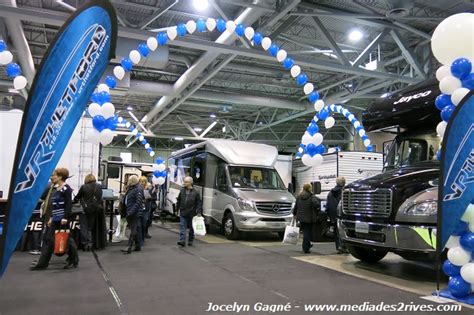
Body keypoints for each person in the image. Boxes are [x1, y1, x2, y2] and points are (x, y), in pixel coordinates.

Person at [30, 168, 79, 270]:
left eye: (54, 175)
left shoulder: (67, 189)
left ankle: (74, 260)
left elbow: (68, 204)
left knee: (67, 240)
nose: (51, 177)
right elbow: (54, 206)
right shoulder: (56, 189)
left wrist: (65, 217)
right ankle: (42, 264)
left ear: (60, 177)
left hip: (63, 219)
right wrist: (51, 217)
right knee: (48, 240)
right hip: (55, 218)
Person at [74, 174, 103, 252]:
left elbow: (77, 197)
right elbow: (100, 198)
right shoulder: (99, 186)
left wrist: (74, 200)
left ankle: (85, 244)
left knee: (84, 227)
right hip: (94, 209)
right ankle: (90, 244)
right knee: (90, 227)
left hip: (84, 209)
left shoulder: (84, 187)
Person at [292, 183, 320, 254]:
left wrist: (294, 214)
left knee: (305, 232)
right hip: (309, 217)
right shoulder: (311, 196)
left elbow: (296, 207)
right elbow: (317, 204)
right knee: (307, 233)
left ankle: (307, 245)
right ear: (309, 189)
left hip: (301, 218)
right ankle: (305, 247)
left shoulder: (299, 196)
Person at [176, 177, 202, 247]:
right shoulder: (182, 190)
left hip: (192, 212)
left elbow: (199, 202)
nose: (184, 183)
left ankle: (190, 240)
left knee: (191, 228)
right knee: (182, 226)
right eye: (184, 181)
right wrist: (177, 209)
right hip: (183, 211)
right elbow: (179, 200)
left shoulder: (196, 191)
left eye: (186, 182)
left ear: (190, 183)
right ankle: (182, 241)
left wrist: (199, 212)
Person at [122, 175, 144, 254]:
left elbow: (138, 202)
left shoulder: (138, 189)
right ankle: (138, 246)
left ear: (132, 181)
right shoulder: (131, 188)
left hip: (134, 213)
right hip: (130, 211)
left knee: (133, 230)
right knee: (134, 229)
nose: (128, 181)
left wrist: (131, 211)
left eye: (129, 180)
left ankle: (129, 246)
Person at [326, 177, 346, 253]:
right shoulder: (344, 192)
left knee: (336, 232)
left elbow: (328, 206)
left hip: (333, 216)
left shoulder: (330, 193)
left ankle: (339, 247)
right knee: (343, 231)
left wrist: (329, 216)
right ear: (344, 183)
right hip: (342, 215)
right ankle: (343, 247)